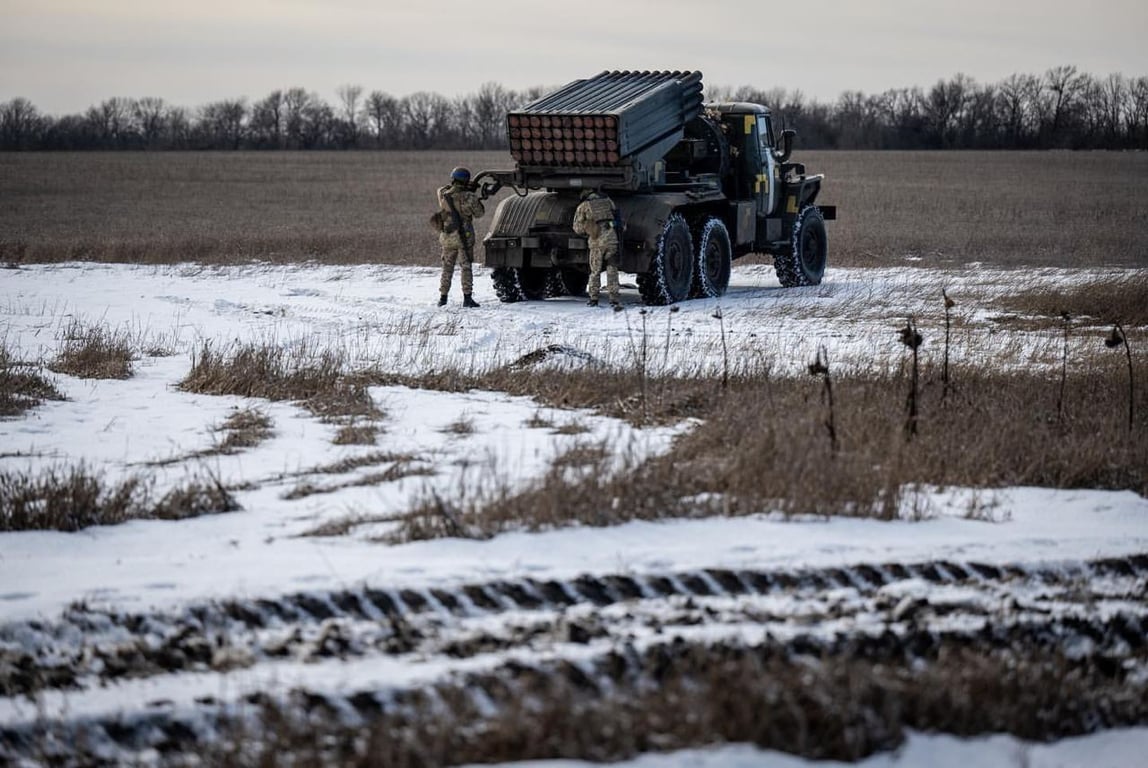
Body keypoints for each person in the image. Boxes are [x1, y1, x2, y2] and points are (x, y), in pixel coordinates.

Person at [436, 166, 485, 307]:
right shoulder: (470, 197)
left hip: (448, 237)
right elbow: (480, 213)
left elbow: (441, 190)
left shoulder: (444, 195)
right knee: (466, 267)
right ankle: (467, 298)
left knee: (447, 267)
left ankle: (443, 298)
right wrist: (472, 194)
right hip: (464, 237)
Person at [572, 189, 620, 309]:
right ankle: (614, 299)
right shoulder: (608, 201)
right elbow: (616, 218)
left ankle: (594, 298)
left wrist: (587, 229)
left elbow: (577, 228)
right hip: (611, 239)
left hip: (596, 242)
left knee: (595, 271)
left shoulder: (583, 206)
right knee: (612, 269)